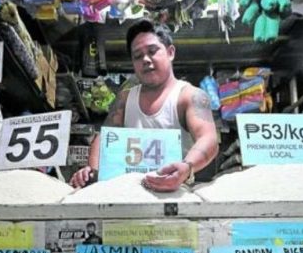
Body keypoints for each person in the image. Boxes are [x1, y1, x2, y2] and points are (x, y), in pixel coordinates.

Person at [70, 19, 219, 192]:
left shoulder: (190, 96)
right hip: (130, 194)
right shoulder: (125, 99)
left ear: (170, 52)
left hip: (175, 196)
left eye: (152, 51)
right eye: (138, 56)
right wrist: (92, 170)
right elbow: (104, 137)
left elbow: (209, 139)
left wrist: (187, 167)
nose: (146, 60)